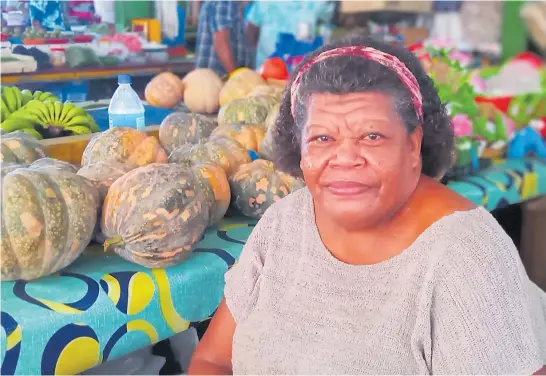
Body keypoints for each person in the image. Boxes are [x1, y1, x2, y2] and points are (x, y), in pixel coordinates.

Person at [188, 36, 546, 375]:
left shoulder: (465, 258)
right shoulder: (284, 221)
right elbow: (213, 361)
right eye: (323, 138)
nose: (345, 158)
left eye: (371, 136)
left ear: (413, 145)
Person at [245, 1, 335, 69]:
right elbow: (251, 29)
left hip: (306, 74)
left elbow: (325, 32)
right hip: (268, 72)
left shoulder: (320, 3)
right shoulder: (264, 2)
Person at [195, 0, 252, 77]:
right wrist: (235, 77)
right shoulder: (223, 2)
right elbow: (221, 44)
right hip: (219, 78)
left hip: (215, 78)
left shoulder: (230, 4)